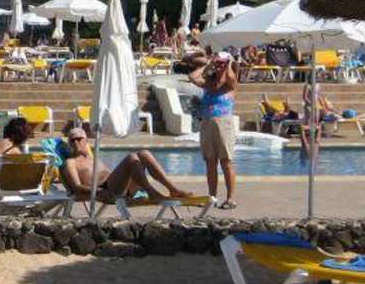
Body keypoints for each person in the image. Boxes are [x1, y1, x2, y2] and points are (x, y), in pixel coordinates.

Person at [58, 120, 192, 204]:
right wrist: (97, 191)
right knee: (131, 158)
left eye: (79, 139)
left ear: (86, 140)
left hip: (122, 187)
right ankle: (152, 193)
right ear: (69, 144)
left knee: (144, 153)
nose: (76, 142)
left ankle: (173, 190)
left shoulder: (93, 158)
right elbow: (76, 187)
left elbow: (109, 174)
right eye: (72, 140)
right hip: (106, 192)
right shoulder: (70, 163)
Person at [193, 51, 239, 209]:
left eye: (222, 63)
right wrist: (208, 64)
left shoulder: (230, 83)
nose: (219, 65)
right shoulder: (209, 83)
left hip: (223, 124)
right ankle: (212, 196)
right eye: (217, 62)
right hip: (207, 123)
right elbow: (193, 77)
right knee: (210, 162)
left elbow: (229, 76)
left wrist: (228, 64)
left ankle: (230, 198)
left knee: (226, 162)